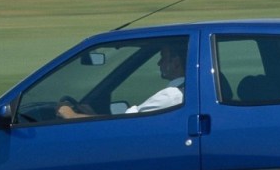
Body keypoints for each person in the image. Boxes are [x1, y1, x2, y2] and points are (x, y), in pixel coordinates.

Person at [57, 42, 186, 119]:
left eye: (163, 58)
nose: (159, 63)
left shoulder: (171, 96)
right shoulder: (182, 91)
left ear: (175, 62)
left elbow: (126, 122)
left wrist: (71, 115)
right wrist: (92, 115)